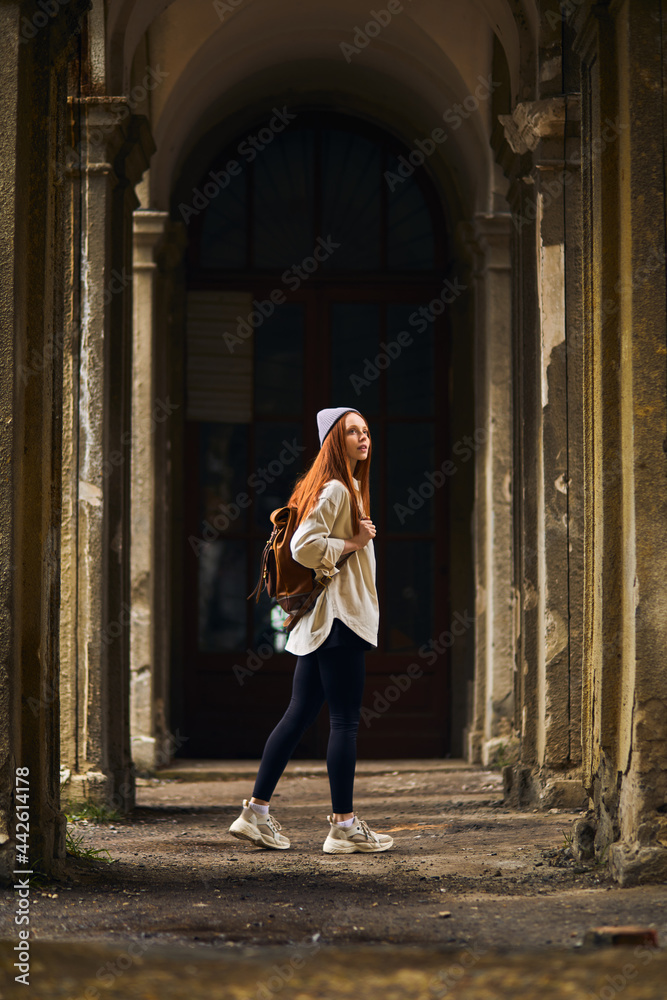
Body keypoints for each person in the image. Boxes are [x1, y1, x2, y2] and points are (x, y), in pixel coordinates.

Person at [229, 406, 394, 854]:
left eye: (365, 430)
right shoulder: (339, 489)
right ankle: (343, 826)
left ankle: (255, 813)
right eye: (352, 432)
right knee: (343, 722)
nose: (363, 438)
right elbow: (303, 546)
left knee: (298, 715)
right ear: (334, 443)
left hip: (324, 620)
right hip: (339, 619)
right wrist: (354, 544)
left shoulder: (340, 487)